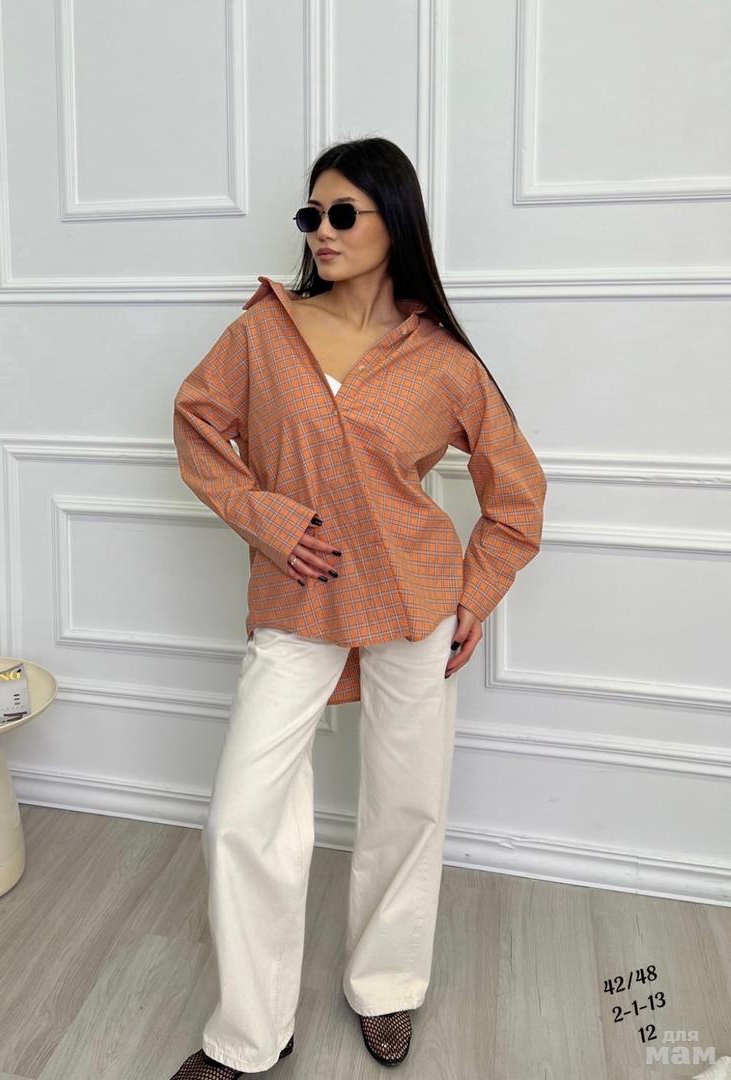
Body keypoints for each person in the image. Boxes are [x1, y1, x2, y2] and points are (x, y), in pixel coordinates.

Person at [169, 136, 547, 1079]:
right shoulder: (265, 332)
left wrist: (477, 591)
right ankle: (251, 1034)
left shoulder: (443, 362)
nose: (321, 231)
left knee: (406, 803)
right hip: (296, 595)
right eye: (311, 214)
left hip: (414, 599)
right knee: (243, 814)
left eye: (342, 213)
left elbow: (516, 492)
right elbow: (196, 423)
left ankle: (384, 986)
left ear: (394, 221)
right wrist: (266, 517)